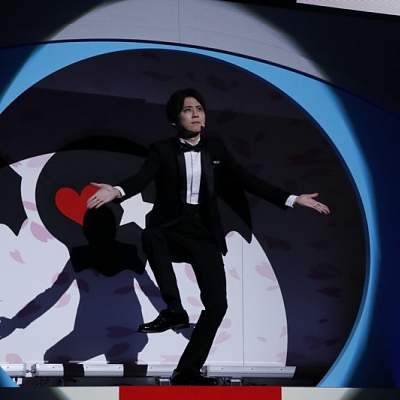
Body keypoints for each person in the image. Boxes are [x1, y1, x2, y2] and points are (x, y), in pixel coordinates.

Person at [86, 88, 330, 385]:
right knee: (151, 234)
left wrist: (292, 198)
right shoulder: (161, 149)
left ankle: (186, 370)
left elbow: (246, 179)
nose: (195, 114)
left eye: (199, 109)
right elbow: (142, 178)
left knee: (217, 305)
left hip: (202, 232)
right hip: (171, 227)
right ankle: (174, 309)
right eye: (187, 109)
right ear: (174, 120)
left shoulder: (216, 148)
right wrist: (117, 190)